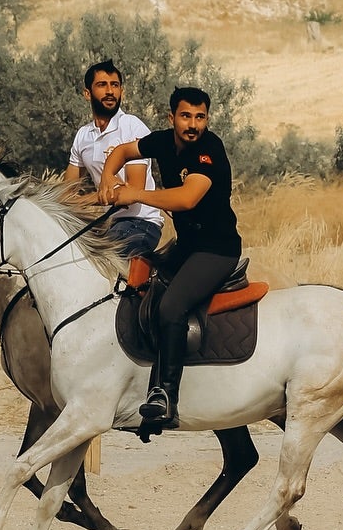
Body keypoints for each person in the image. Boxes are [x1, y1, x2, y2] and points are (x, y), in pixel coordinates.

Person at [99, 86, 242, 433]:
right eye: (185, 116)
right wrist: (107, 177)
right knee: (135, 288)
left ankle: (166, 396)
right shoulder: (162, 141)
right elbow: (122, 151)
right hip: (186, 246)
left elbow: (187, 198)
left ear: (207, 119)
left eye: (200, 117)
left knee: (171, 307)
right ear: (171, 117)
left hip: (216, 249)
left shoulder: (209, 150)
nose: (193, 124)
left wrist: (135, 193)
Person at [64, 58, 161, 263]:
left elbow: (133, 191)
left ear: (121, 91)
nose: (110, 91)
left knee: (94, 263)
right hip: (110, 224)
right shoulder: (83, 136)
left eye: (115, 85)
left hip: (141, 223)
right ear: (87, 93)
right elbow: (66, 191)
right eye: (102, 85)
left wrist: (80, 201)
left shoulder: (132, 126)